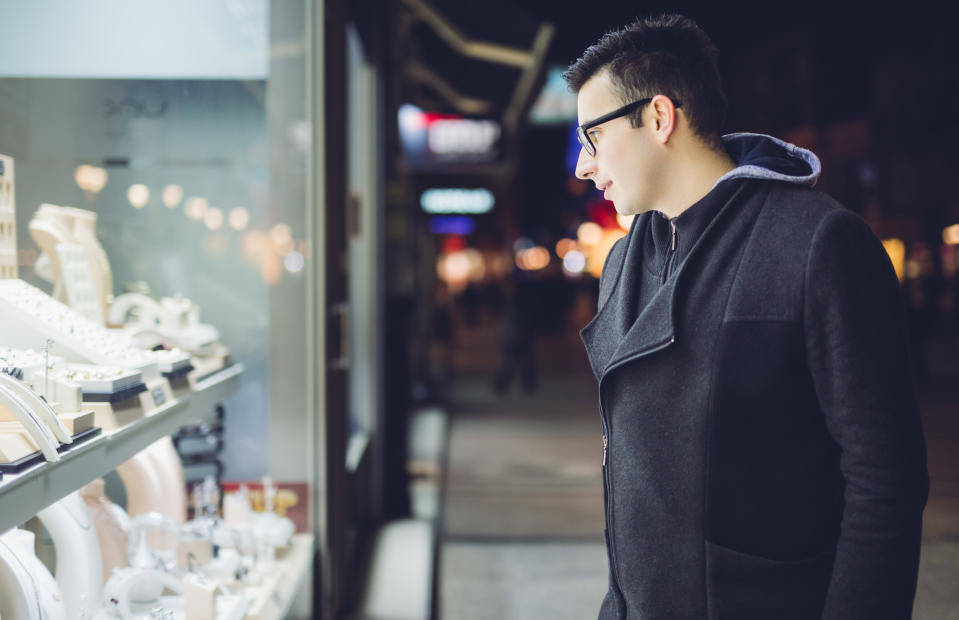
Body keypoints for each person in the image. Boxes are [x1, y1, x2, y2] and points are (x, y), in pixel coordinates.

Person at [564, 14, 928, 620]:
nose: (583, 165)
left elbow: (885, 479)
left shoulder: (818, 243)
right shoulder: (624, 259)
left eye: (592, 138)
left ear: (659, 118)